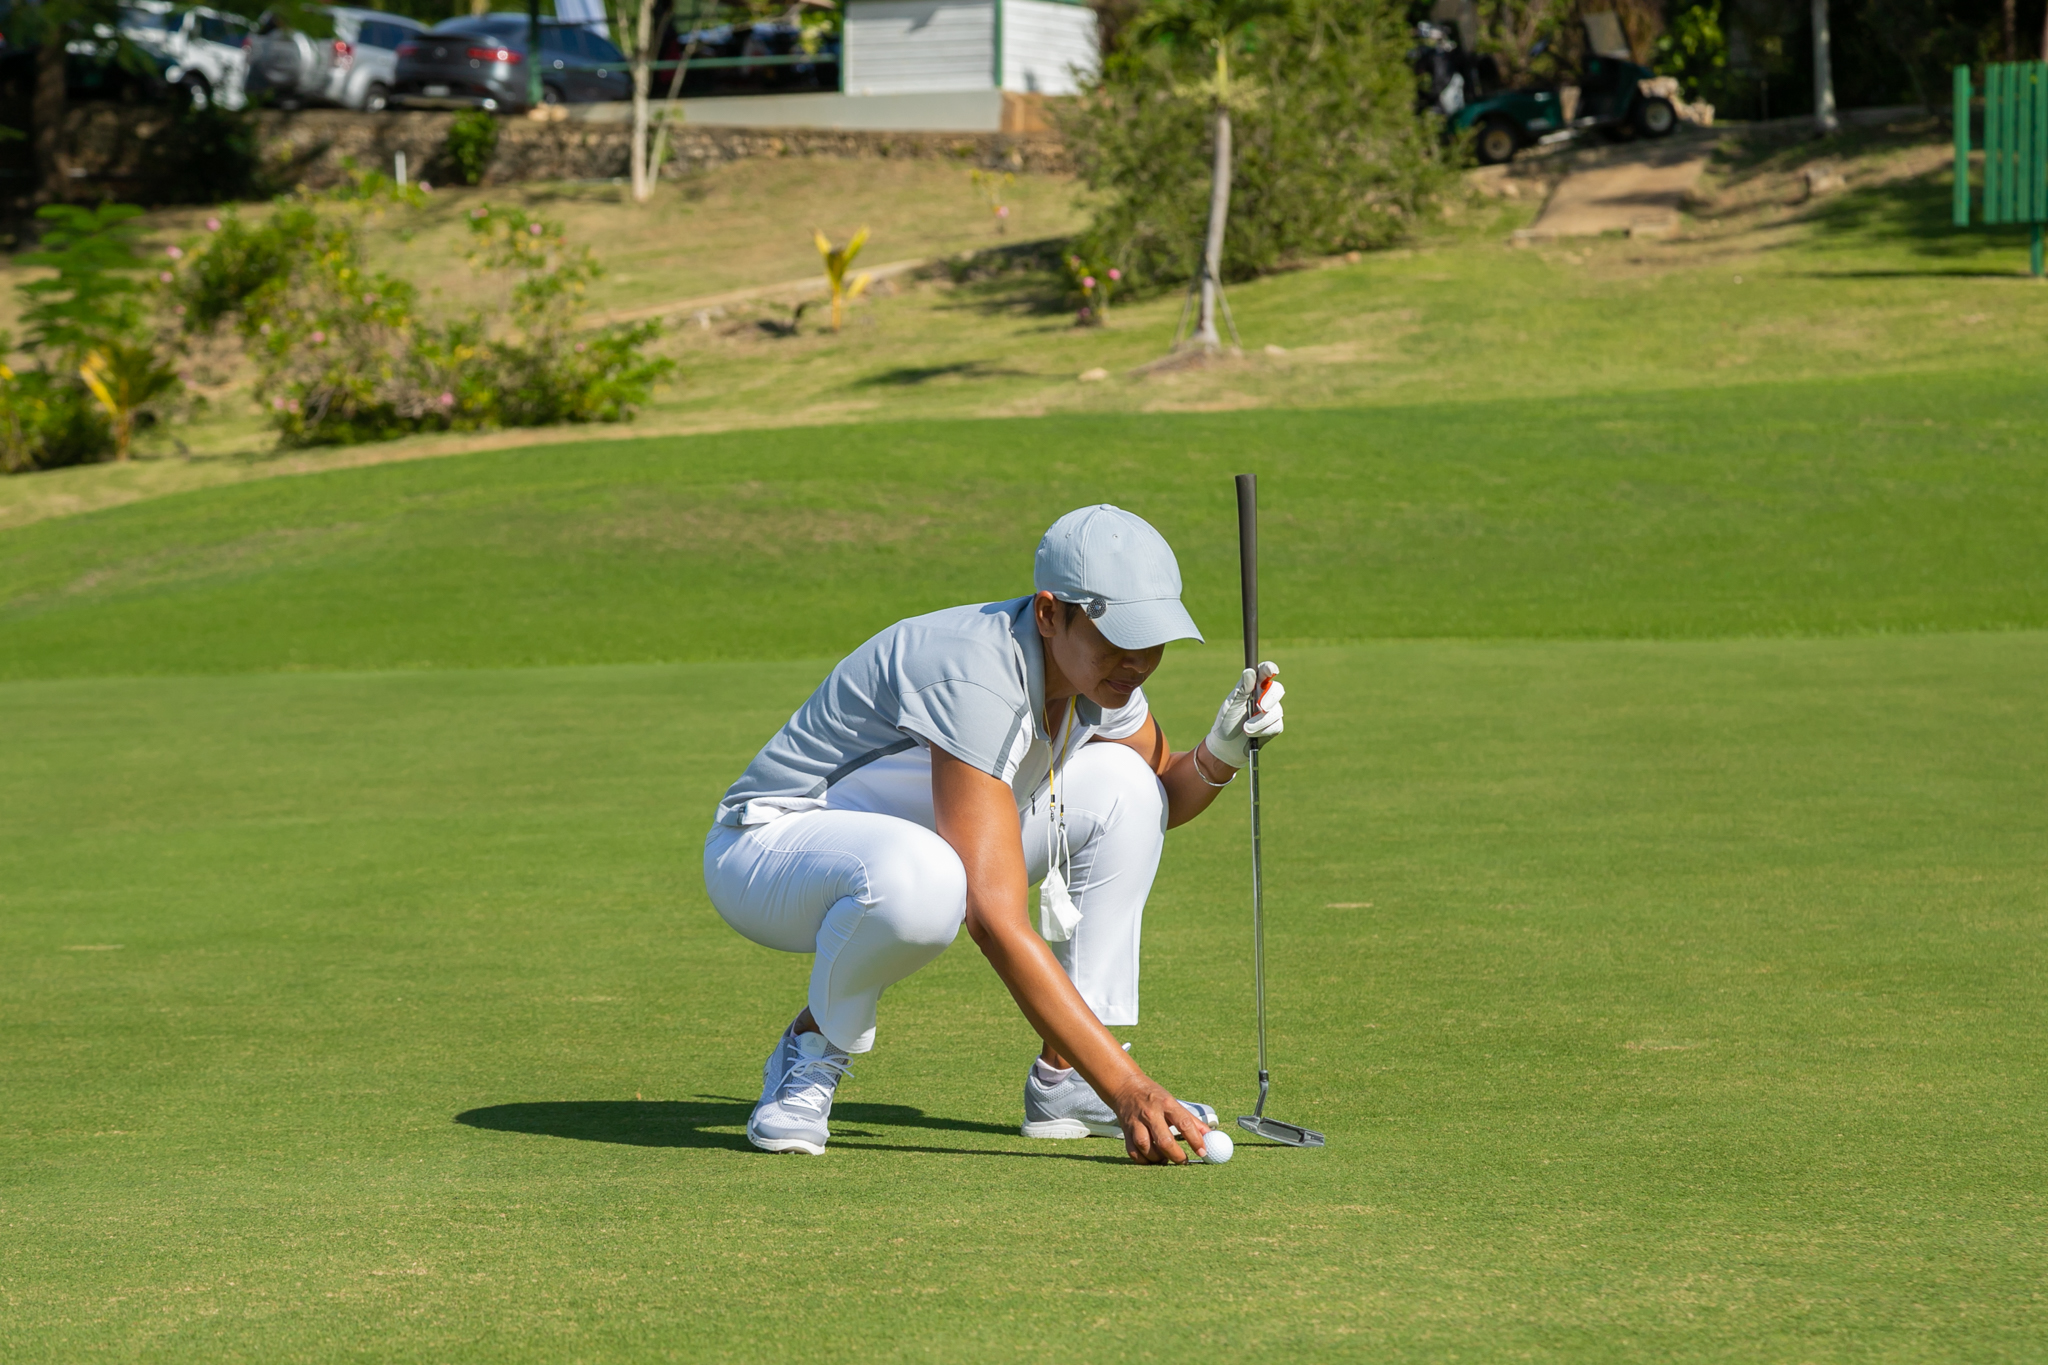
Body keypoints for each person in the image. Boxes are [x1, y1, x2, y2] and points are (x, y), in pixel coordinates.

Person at [703, 504, 1285, 1165]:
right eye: (1117, 637)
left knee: (1123, 783)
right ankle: (810, 1050)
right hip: (769, 849)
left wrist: (1223, 749)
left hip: (913, 843)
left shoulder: (1103, 680)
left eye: (1150, 639)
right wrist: (1130, 1088)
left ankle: (1066, 1080)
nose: (1137, 661)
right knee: (924, 882)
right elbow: (993, 918)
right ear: (1048, 613)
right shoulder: (973, 671)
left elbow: (1157, 799)